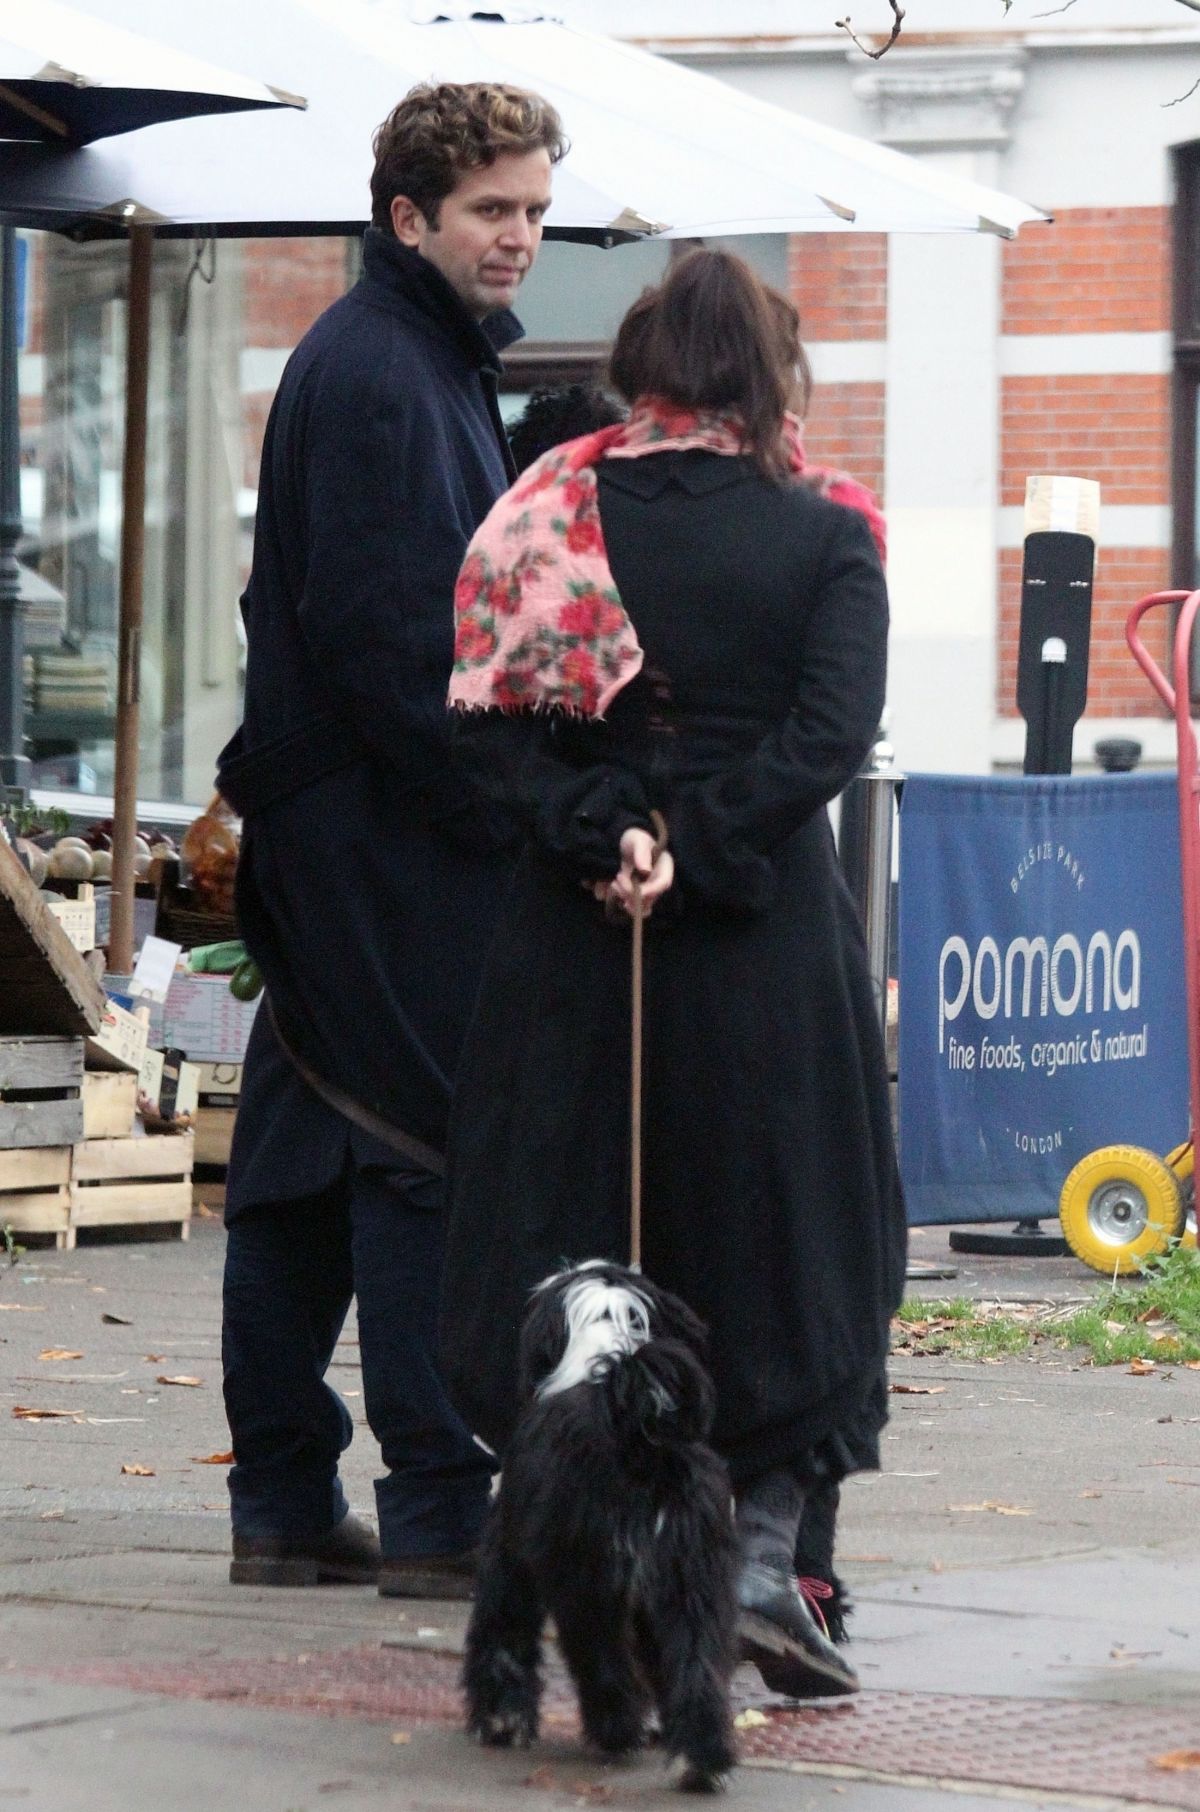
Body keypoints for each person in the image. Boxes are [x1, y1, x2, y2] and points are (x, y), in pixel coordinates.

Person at [439, 249, 906, 1694]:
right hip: (764, 953)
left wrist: (613, 835)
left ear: (639, 365)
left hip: (576, 949)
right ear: (771, 381)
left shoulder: (539, 518)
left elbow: (486, 731)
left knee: (570, 1234)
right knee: (784, 1245)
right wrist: (693, 848)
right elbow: (828, 738)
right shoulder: (827, 531)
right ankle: (761, 1556)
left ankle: (576, 1545)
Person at [213, 82, 565, 1598]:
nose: (523, 240)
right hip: (383, 835)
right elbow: (389, 641)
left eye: (537, 211)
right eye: (495, 211)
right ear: (408, 216)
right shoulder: (380, 372)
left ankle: (286, 1499)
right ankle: (437, 1507)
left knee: (300, 1155)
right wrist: (502, 806)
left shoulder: (399, 358)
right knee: (423, 1145)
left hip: (338, 824)